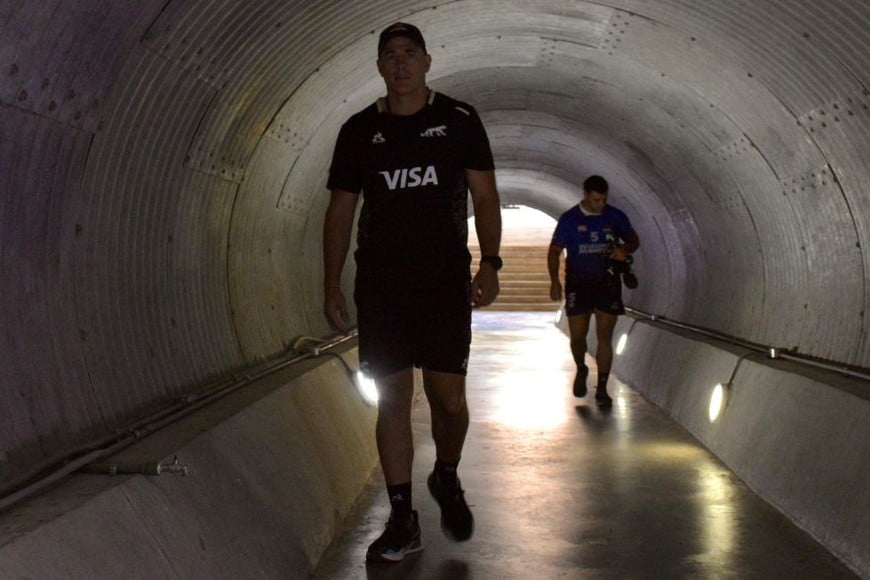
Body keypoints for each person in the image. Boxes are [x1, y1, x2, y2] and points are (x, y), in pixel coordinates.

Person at [322, 22, 502, 563]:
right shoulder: (358, 131)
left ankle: (446, 474)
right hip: (381, 284)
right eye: (390, 56)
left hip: (444, 280)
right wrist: (331, 282)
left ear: (427, 61)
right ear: (379, 68)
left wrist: (491, 262)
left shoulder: (459, 121)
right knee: (393, 399)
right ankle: (402, 518)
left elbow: (486, 196)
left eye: (409, 54)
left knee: (449, 398)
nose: (400, 64)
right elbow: (340, 211)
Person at [547, 175, 639, 407]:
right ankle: (581, 367)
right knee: (578, 336)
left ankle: (602, 388)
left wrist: (624, 249)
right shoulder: (570, 219)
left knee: (604, 337)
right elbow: (554, 250)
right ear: (586, 195)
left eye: (603, 200)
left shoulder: (614, 216)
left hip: (607, 282)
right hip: (578, 283)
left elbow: (633, 239)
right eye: (596, 200)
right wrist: (554, 282)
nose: (600, 205)